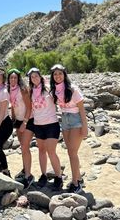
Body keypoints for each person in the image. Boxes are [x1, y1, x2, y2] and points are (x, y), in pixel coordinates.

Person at [50, 64, 88, 193]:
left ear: (64, 74)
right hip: (65, 120)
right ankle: (77, 178)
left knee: (72, 153)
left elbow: (82, 110)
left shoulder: (73, 89)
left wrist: (85, 127)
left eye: (60, 73)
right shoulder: (55, 89)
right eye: (55, 74)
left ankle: (76, 183)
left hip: (75, 119)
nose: (57, 76)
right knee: (71, 152)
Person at [27, 67, 63, 190]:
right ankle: (43, 175)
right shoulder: (31, 90)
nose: (34, 78)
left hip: (51, 124)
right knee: (41, 150)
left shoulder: (49, 88)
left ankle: (58, 177)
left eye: (36, 76)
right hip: (38, 124)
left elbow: (61, 97)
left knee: (51, 151)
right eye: (32, 77)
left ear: (40, 76)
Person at [7, 68, 33, 188]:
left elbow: (29, 107)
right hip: (18, 120)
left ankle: (28, 176)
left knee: (25, 146)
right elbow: (13, 105)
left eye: (15, 78)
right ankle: (25, 169)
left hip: (27, 120)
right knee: (23, 147)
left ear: (18, 79)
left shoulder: (23, 90)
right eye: (11, 77)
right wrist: (13, 118)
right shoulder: (10, 90)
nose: (13, 79)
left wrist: (25, 123)